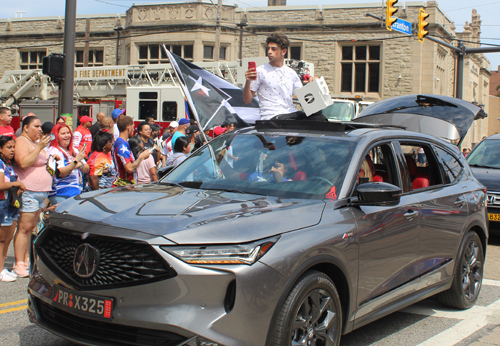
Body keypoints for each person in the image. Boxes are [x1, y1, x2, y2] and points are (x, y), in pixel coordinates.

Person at [13, 116, 52, 278]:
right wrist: (39, 148)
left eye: (40, 126)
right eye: (36, 126)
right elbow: (23, 163)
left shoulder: (37, 143)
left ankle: (26, 259)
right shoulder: (21, 141)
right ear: (26, 128)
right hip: (28, 190)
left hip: (41, 191)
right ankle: (19, 262)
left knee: (32, 228)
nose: (40, 129)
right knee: (24, 228)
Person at [243, 32, 308, 120]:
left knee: (319, 118)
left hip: (290, 113)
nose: (269, 52)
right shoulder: (260, 71)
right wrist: (248, 82)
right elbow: (247, 100)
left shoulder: (291, 72)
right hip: (271, 116)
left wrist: (311, 83)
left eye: (274, 49)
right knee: (288, 121)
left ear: (284, 51)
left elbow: (303, 96)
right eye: (268, 48)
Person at [0, 136, 26, 282]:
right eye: (8, 147)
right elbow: (1, 185)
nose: (12, 150)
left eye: (13, 147)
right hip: (2, 204)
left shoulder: (8, 164)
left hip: (11, 204)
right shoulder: (0, 163)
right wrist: (17, 184)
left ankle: (2, 268)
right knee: (2, 240)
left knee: (8, 238)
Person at [47, 123, 89, 205]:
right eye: (63, 133)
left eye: (68, 133)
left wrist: (79, 165)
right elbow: (61, 173)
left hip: (76, 193)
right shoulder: (53, 151)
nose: (67, 136)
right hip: (60, 194)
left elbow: (87, 169)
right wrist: (76, 162)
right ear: (57, 136)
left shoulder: (74, 150)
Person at [112, 116, 151, 186]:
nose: (133, 130)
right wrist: (142, 157)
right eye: (133, 127)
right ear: (128, 127)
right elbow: (129, 168)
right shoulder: (121, 145)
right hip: (122, 186)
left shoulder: (123, 143)